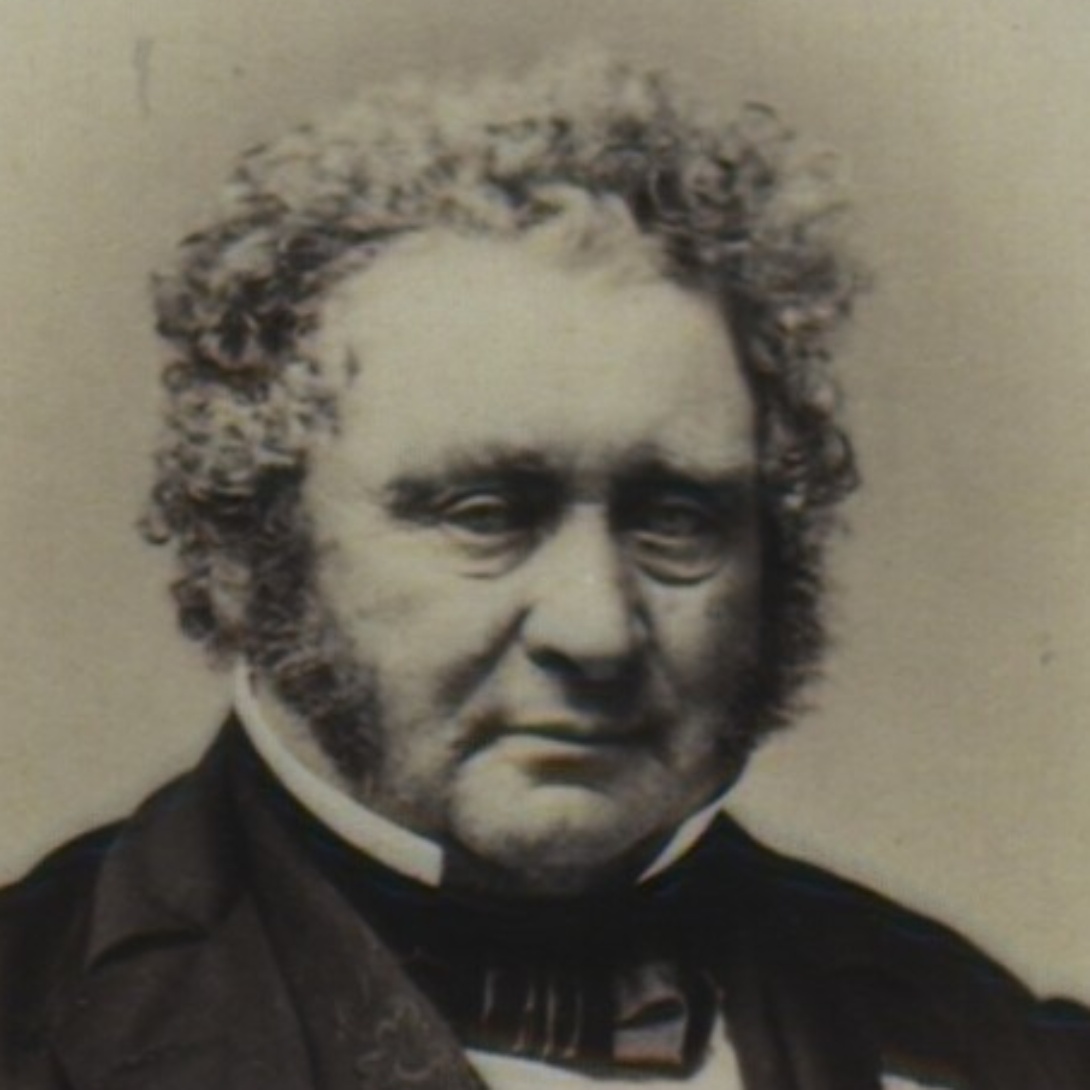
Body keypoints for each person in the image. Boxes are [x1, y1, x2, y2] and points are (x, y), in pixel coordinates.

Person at [0, 52, 1086, 1090]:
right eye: (483, 515)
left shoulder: (998, 1049)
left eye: (674, 520)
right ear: (249, 547)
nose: (596, 629)